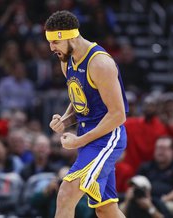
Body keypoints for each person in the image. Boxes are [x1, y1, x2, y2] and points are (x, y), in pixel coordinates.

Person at [45, 10, 128, 218]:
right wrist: (64, 120)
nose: (51, 47)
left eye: (55, 41)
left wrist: (79, 141)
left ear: (71, 36)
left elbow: (118, 115)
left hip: (107, 136)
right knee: (106, 209)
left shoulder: (100, 63)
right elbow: (79, 101)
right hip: (89, 136)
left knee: (65, 193)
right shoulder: (66, 60)